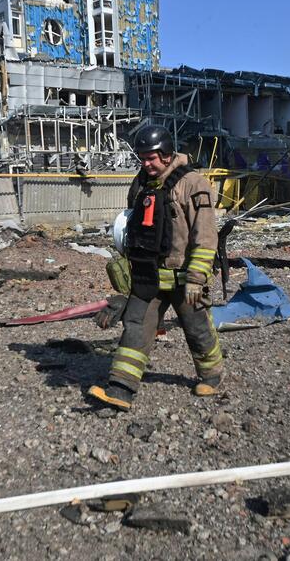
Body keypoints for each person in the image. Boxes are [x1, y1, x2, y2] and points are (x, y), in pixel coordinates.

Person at [88, 125, 223, 411]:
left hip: (186, 278)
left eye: (151, 158)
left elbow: (206, 234)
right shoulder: (140, 184)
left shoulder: (193, 183)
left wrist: (197, 278)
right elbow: (134, 229)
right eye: (142, 158)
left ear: (166, 154)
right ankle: (121, 388)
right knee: (136, 325)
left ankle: (211, 374)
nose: (146, 164)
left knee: (197, 328)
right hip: (149, 275)